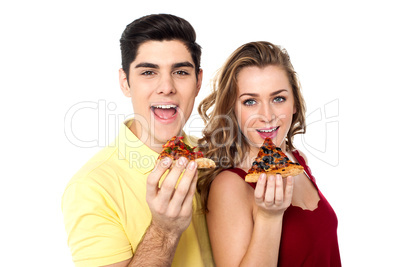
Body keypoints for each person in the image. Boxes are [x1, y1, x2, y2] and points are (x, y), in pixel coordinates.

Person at [62, 14, 214, 267]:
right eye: (148, 72)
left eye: (180, 71)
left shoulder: (216, 158)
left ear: (198, 82)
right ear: (125, 82)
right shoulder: (90, 188)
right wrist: (164, 230)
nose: (166, 87)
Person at [197, 41, 341, 266]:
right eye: (250, 101)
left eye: (278, 98)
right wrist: (269, 217)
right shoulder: (229, 185)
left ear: (294, 104)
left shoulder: (296, 159)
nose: (266, 115)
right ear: (233, 110)